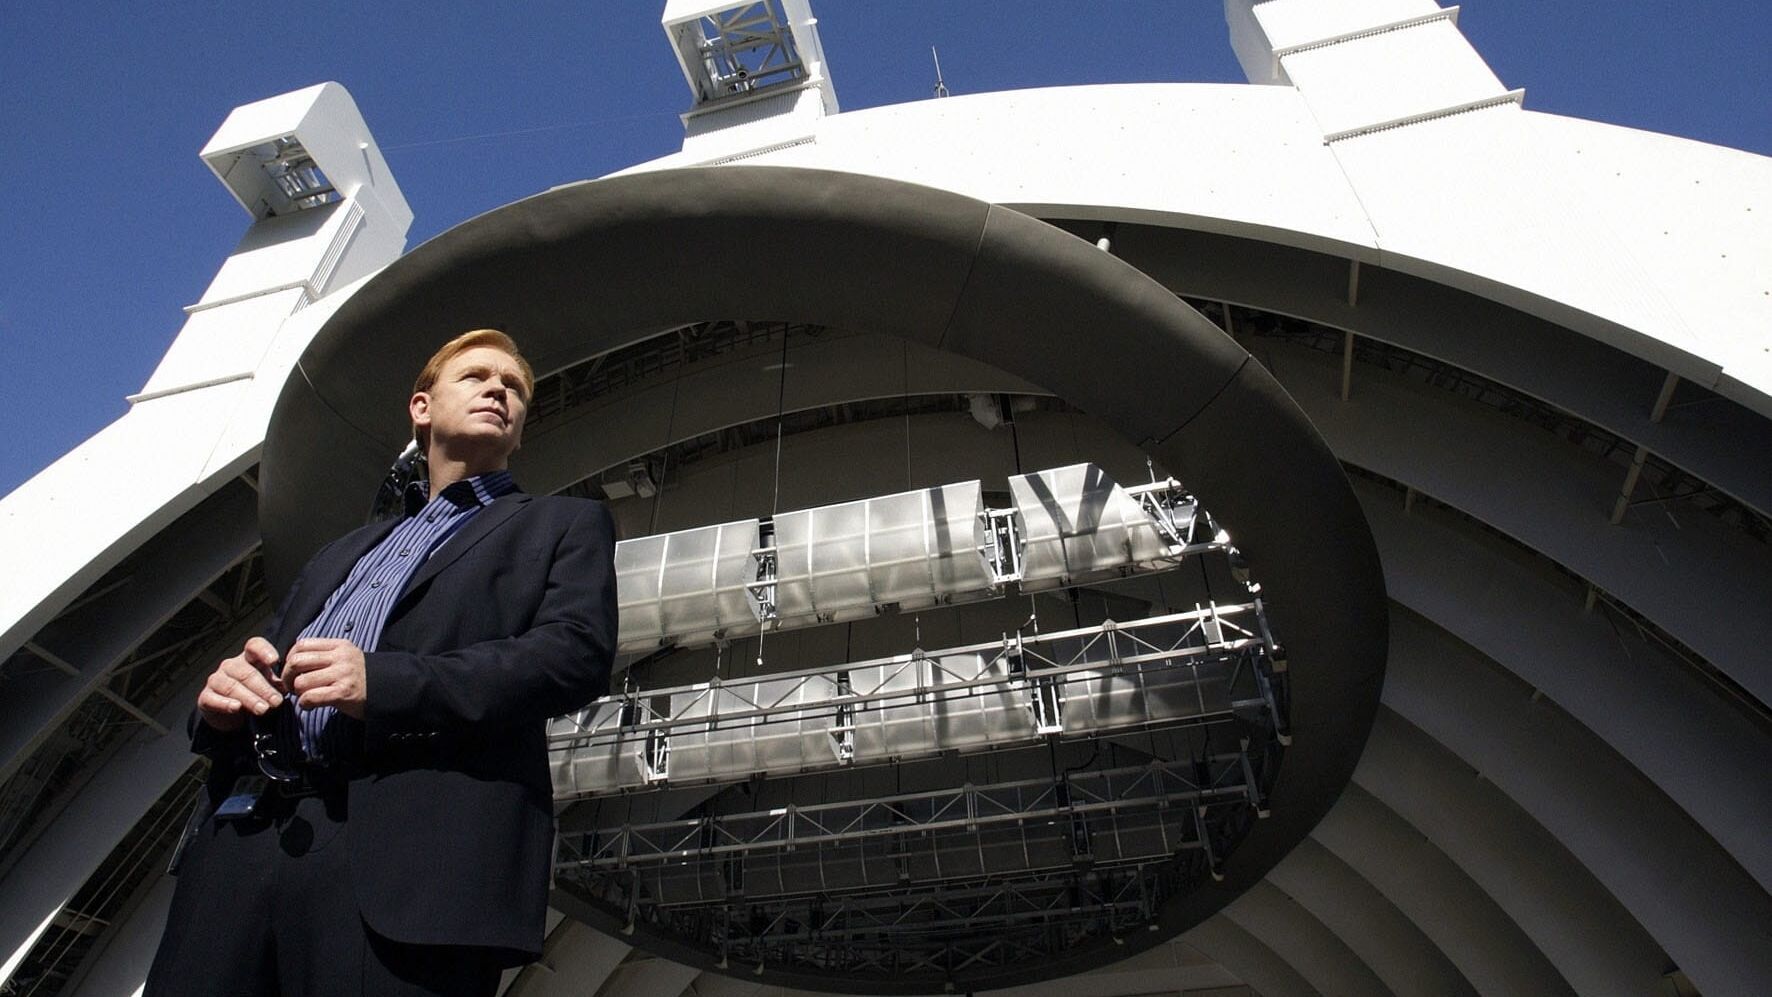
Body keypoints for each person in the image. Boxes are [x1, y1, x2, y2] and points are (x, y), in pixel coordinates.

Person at [146, 329, 618, 997]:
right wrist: (222, 703)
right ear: (421, 408)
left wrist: (385, 682)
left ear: (518, 434)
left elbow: (574, 655)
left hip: (411, 862)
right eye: (476, 376)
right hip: (244, 842)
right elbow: (267, 659)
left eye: (513, 388)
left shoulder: (564, 524)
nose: (498, 390)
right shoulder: (341, 552)